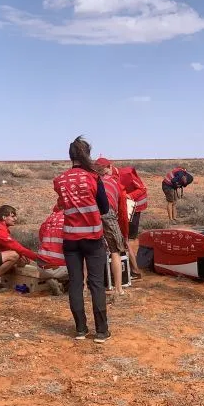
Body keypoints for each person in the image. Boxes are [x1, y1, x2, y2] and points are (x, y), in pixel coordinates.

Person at [53, 136, 111, 343]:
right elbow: (104, 207)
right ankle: (101, 331)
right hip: (93, 237)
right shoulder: (93, 177)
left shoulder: (60, 180)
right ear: (87, 154)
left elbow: (61, 205)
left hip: (70, 239)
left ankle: (80, 329)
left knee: (76, 283)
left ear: (70, 156)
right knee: (96, 283)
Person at [95, 157, 129, 297]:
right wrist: (124, 233)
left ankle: (86, 286)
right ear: (108, 167)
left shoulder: (92, 181)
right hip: (109, 214)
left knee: (90, 251)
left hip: (93, 214)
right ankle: (118, 288)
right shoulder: (115, 183)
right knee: (115, 251)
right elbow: (122, 210)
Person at [115, 164, 146, 279]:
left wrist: (129, 196)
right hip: (124, 206)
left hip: (135, 206)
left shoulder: (126, 174)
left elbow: (142, 188)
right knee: (126, 238)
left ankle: (134, 268)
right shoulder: (108, 176)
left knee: (129, 238)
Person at [36, 205, 69, 296]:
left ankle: (55, 280)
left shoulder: (48, 220)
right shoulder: (71, 219)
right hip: (58, 268)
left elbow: (41, 238)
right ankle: (64, 284)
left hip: (40, 266)